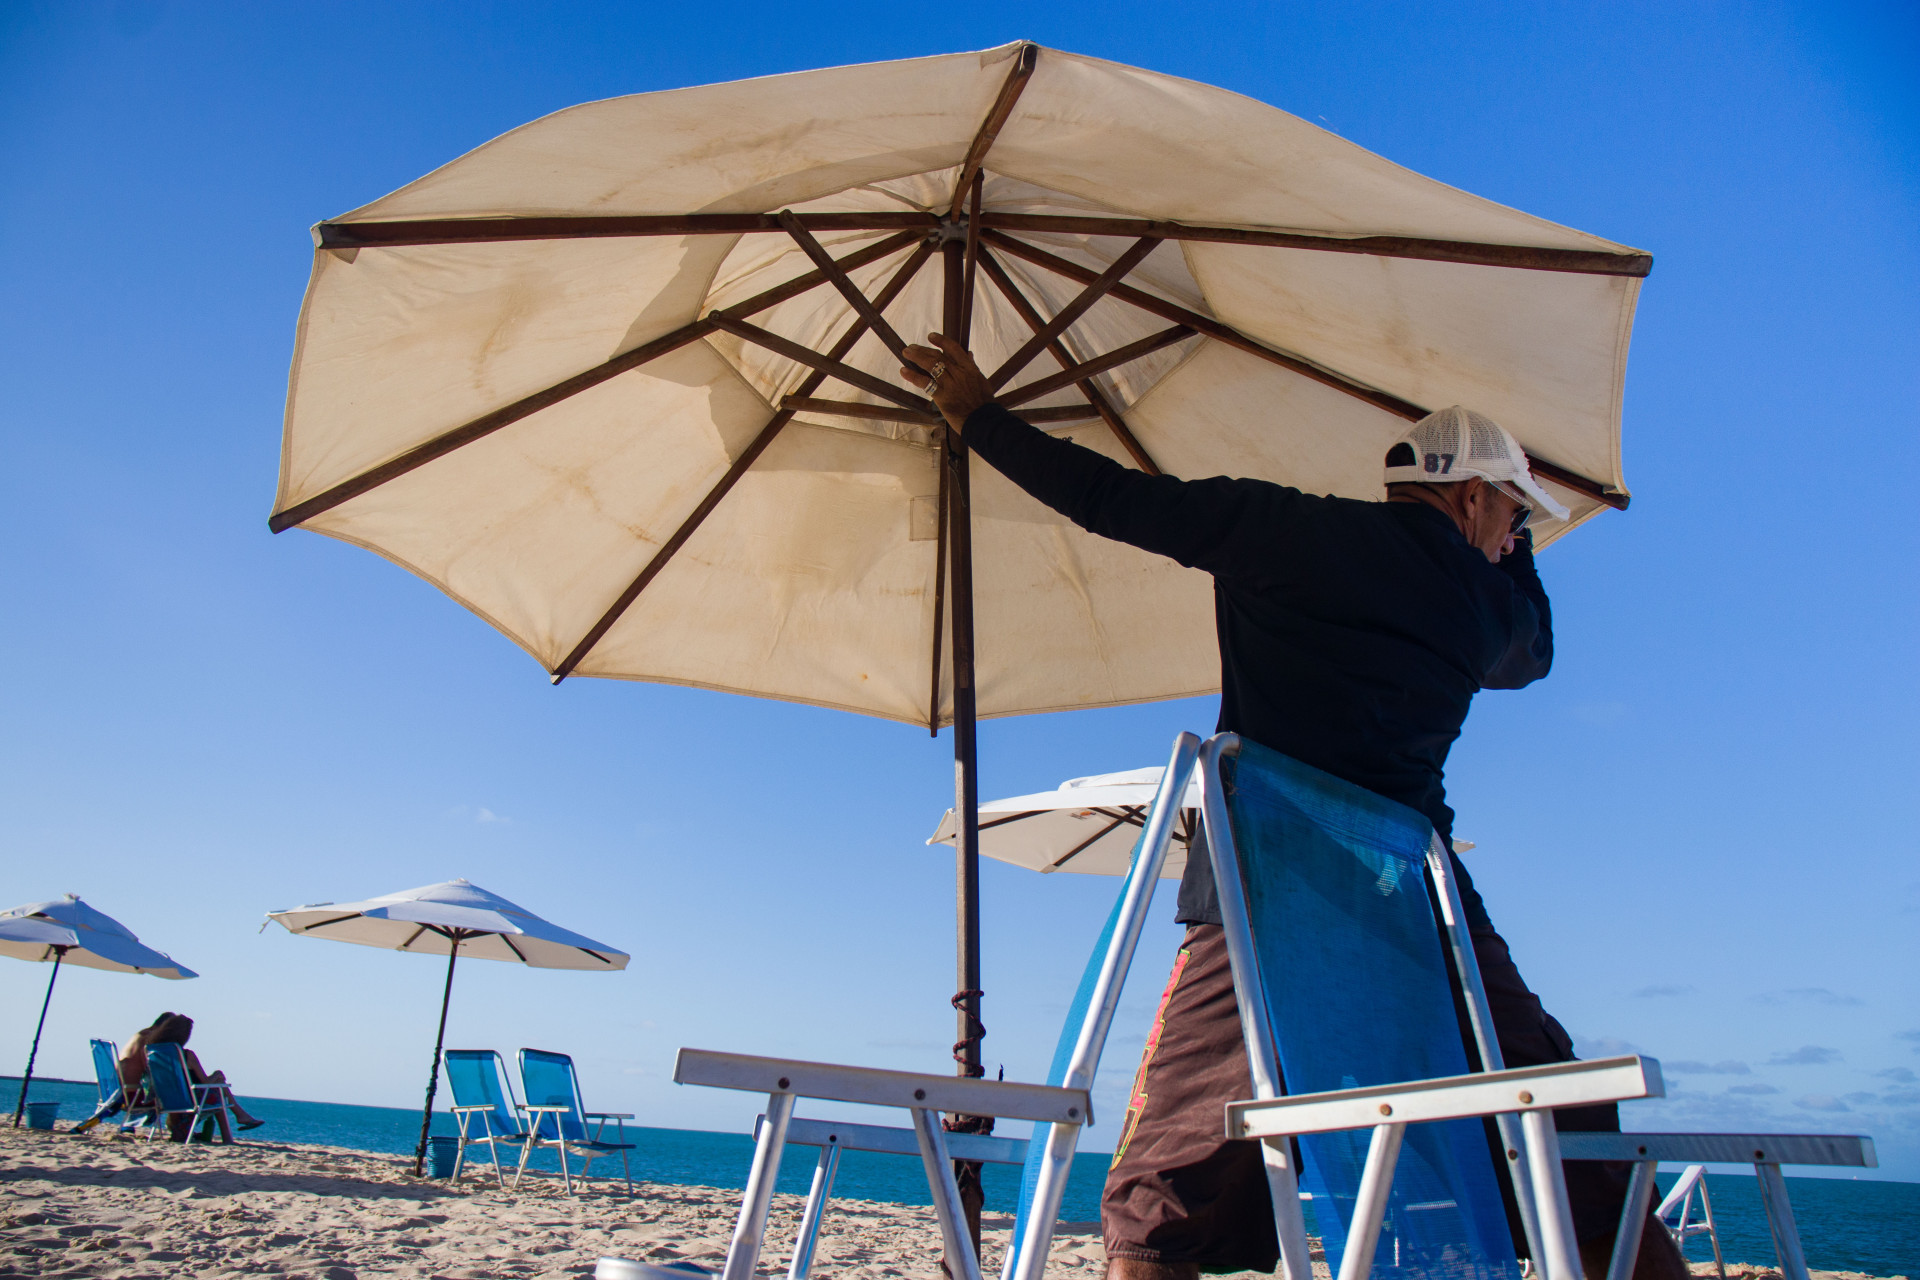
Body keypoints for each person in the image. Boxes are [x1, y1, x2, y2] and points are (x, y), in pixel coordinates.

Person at [897, 334, 1686, 1280]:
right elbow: (1540, 645)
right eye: (1509, 514)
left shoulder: (1282, 531)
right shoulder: (1487, 610)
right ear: (1470, 496)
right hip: (1416, 897)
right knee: (1558, 1106)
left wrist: (980, 418)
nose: (1510, 537)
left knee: (1171, 1168)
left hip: (1259, 884)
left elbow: (1107, 498)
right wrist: (1513, 557)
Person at [146, 1014, 266, 1141]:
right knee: (218, 1087)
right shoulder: (187, 1055)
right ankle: (236, 1122)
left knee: (217, 1088)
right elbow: (205, 1081)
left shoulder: (154, 1054)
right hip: (189, 1101)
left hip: (165, 1101)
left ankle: (239, 1118)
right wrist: (217, 1075)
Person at [71, 1011, 175, 1133]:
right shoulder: (148, 1038)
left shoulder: (139, 1035)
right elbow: (148, 1067)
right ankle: (175, 1131)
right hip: (128, 1094)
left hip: (113, 1091)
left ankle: (128, 1126)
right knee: (169, 1097)